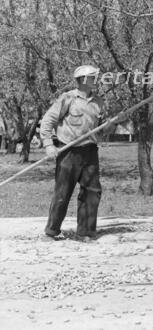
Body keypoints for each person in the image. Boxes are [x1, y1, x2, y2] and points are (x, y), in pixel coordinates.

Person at [40, 65, 111, 241]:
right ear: (83, 79)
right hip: (68, 152)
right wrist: (49, 145)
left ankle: (85, 233)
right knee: (62, 193)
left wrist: (113, 123)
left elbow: (101, 132)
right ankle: (51, 231)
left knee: (92, 191)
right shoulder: (68, 98)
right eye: (93, 77)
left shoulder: (99, 102)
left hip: (90, 151)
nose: (96, 80)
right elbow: (48, 121)